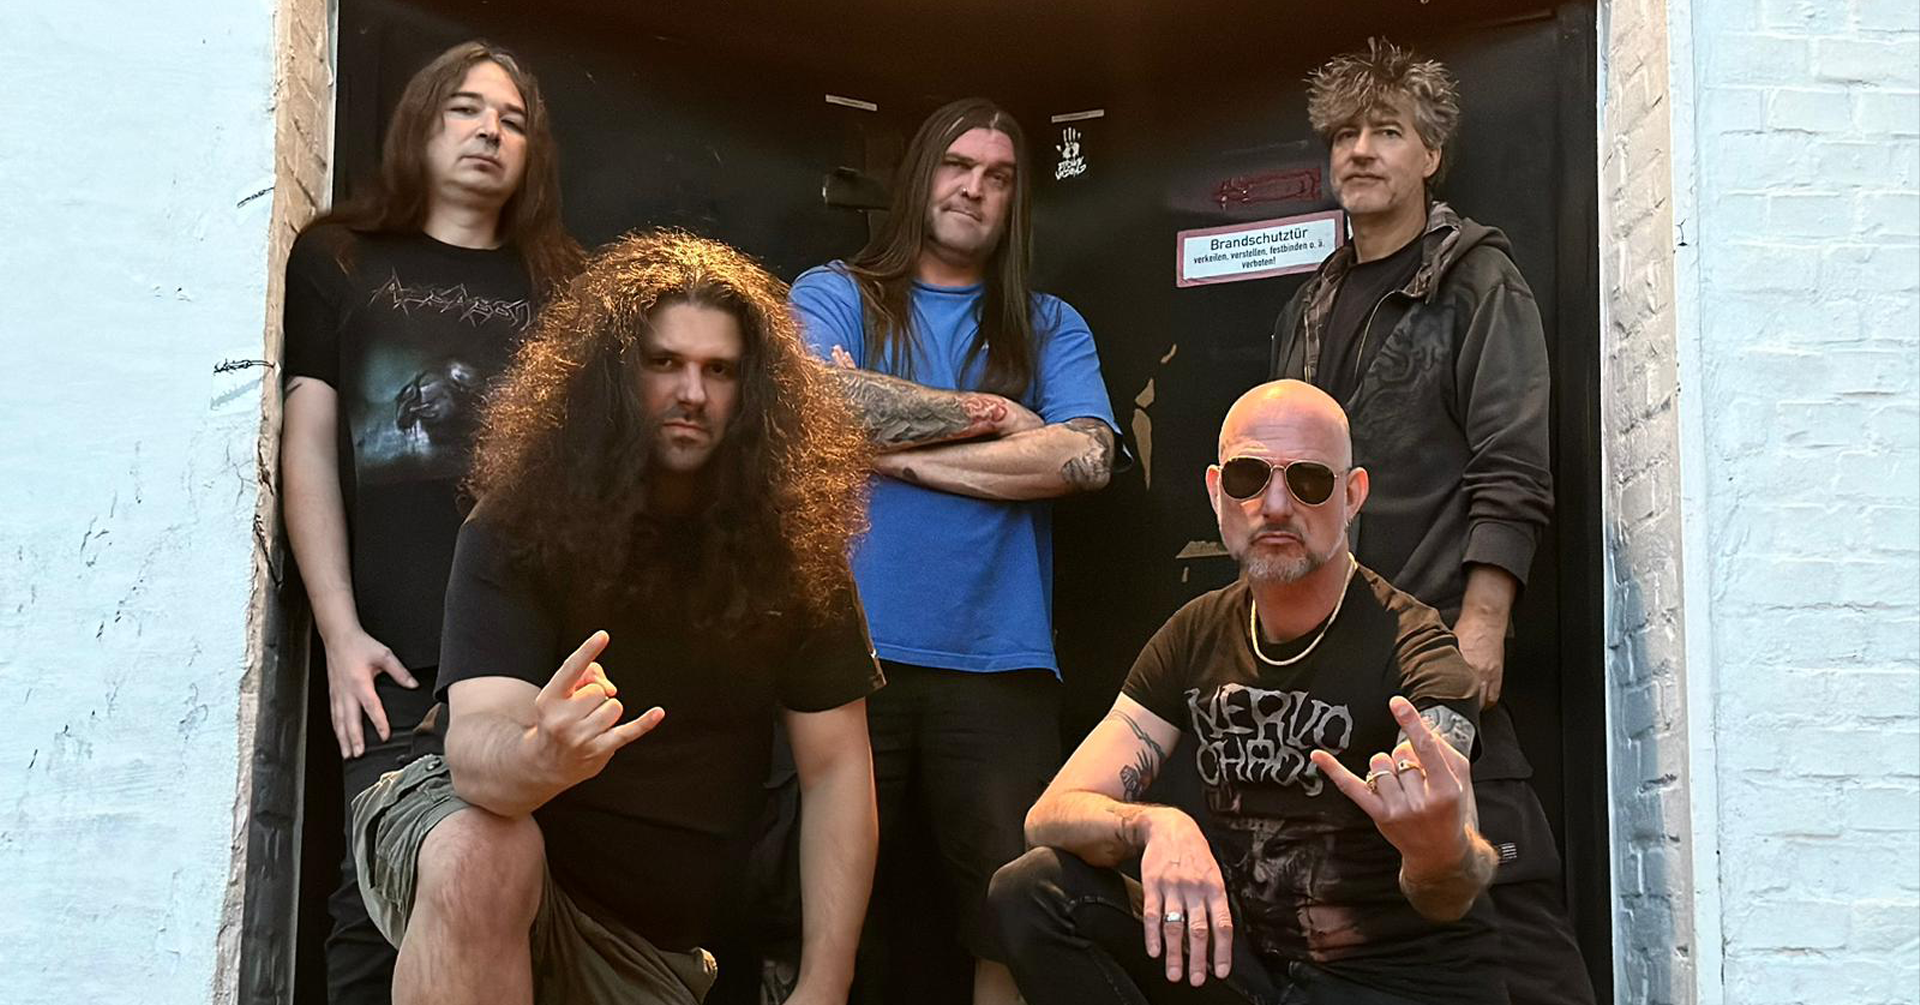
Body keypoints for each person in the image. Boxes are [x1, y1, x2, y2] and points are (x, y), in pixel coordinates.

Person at [347, 230, 882, 1005]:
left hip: (648, 940)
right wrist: (541, 755)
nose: (691, 391)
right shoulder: (519, 523)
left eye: (719, 369)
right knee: (482, 851)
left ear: (754, 392)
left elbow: (836, 771)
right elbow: (475, 752)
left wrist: (825, 984)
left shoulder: (794, 550)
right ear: (612, 375)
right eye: (664, 362)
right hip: (484, 826)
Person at [992, 380, 1503, 1005]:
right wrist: (1156, 825)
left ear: (1352, 496)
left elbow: (1454, 887)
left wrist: (1436, 852)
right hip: (1257, 978)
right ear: (1216, 493)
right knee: (1035, 890)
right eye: (1247, 477)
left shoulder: (1415, 649)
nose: (1276, 504)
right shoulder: (1198, 633)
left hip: (1399, 989)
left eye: (1309, 480)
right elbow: (1048, 816)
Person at [1268, 38, 1595, 1005]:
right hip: (1328, 654)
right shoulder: (1307, 306)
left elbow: (1514, 463)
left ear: (1431, 155)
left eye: (1387, 131)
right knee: (1354, 918)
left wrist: (1483, 622)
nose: (1361, 151)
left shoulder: (1476, 281)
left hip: (1435, 642)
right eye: (1345, 135)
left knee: (1502, 898)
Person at [788, 97, 1120, 1005]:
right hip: (845, 658)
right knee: (825, 918)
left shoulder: (1048, 323)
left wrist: (893, 453)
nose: (975, 188)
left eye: (999, 176)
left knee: (1009, 919)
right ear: (918, 176)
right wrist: (999, 416)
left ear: (1015, 201)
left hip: (998, 664)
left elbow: (1085, 457)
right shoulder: (836, 293)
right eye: (957, 165)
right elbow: (818, 405)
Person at [279, 39, 582, 1004]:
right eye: (466, 109)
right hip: (390, 652)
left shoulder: (562, 284)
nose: (490, 131)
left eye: (513, 120)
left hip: (529, 647)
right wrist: (338, 632)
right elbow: (309, 442)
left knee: (512, 882)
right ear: (419, 122)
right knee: (375, 899)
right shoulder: (339, 258)